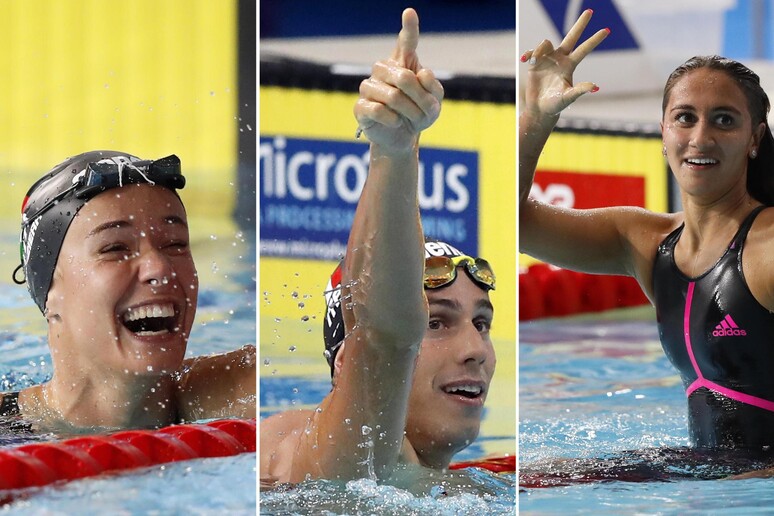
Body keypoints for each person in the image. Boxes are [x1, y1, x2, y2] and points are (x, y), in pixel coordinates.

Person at [520, 10, 774, 479]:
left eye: (724, 120)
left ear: (754, 139)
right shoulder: (645, 241)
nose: (701, 137)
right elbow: (515, 221)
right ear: (663, 132)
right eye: (685, 118)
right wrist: (534, 120)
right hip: (713, 477)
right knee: (538, 476)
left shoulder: (767, 247)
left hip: (753, 486)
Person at [260, 8, 498, 485]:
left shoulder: (441, 483)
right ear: (346, 360)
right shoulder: (335, 456)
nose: (476, 350)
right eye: (434, 322)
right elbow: (385, 334)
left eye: (482, 322)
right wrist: (394, 149)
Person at [0, 150, 255, 433]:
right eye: (115, 248)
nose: (160, 268)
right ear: (50, 292)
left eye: (175, 244)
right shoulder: (6, 428)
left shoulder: (239, 390)